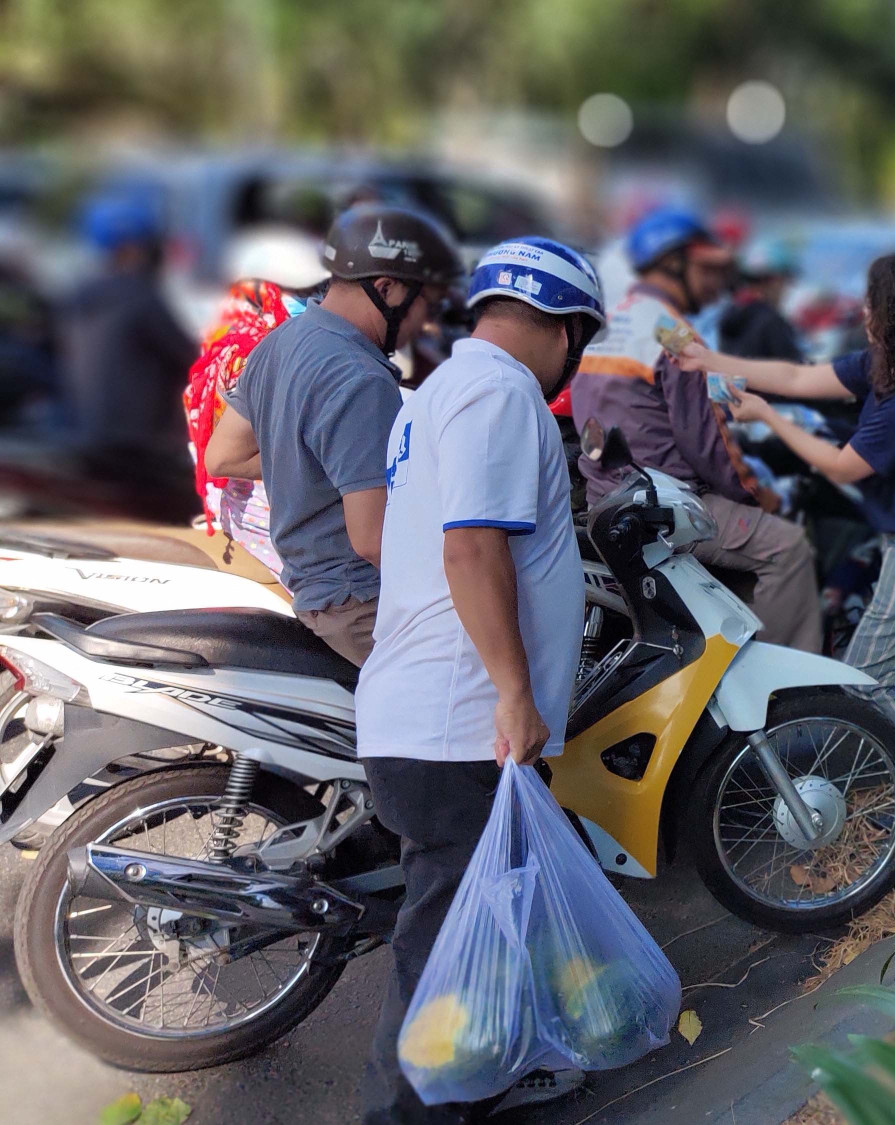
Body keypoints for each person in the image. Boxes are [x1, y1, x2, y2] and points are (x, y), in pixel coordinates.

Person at [355, 237, 604, 1124]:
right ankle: (413, 1114)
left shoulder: (436, 394)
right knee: (443, 947)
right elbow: (471, 544)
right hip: (460, 719)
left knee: (483, 921)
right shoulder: (501, 392)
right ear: (569, 329)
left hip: (430, 713)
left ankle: (491, 1070)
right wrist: (512, 691)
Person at [679, 251, 895, 826]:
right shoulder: (890, 364)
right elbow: (799, 377)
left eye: (875, 300)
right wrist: (706, 360)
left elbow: (844, 467)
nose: (864, 308)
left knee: (870, 675)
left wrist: (770, 419)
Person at [203, 204, 461, 665]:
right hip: (364, 603)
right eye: (428, 304)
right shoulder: (363, 379)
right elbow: (374, 538)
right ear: (388, 288)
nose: (426, 324)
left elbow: (221, 455)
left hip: (310, 590)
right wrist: (467, 582)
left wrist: (314, 468)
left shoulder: (278, 343)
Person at [569, 207, 821, 653]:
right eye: (707, 269)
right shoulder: (673, 334)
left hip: (607, 502)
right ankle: (790, 695)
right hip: (663, 509)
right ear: (673, 265)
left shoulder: (614, 323)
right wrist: (759, 495)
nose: (716, 283)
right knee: (789, 547)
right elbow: (708, 444)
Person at [184, 233, 334, 579]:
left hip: (238, 515)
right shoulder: (267, 352)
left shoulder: (225, 340)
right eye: (304, 292)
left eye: (320, 289)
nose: (318, 300)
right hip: (274, 530)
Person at [61, 190, 197, 493]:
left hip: (87, 438)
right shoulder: (140, 295)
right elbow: (190, 358)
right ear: (140, 245)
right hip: (140, 447)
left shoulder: (80, 295)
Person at [718, 236, 804, 361]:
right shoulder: (771, 321)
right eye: (785, 280)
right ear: (774, 280)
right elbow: (795, 372)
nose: (786, 288)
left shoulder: (730, 313)